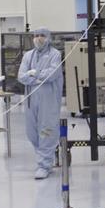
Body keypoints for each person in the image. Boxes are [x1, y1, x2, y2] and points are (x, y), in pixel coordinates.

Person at [19, 27, 64, 180]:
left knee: (46, 131)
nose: (38, 38)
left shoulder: (55, 55)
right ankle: (45, 159)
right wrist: (35, 78)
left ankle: (44, 165)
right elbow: (21, 76)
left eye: (42, 36)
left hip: (48, 101)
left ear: (48, 37)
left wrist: (34, 74)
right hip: (32, 101)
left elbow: (52, 74)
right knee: (32, 132)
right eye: (36, 35)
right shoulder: (28, 56)